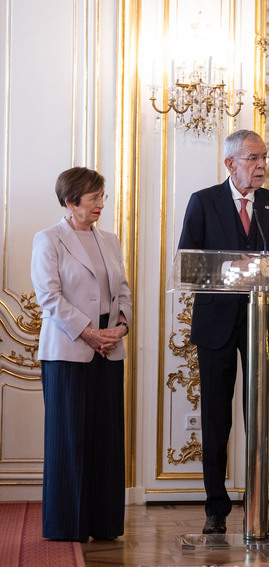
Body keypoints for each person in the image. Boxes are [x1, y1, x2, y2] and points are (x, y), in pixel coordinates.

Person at [177, 129, 269, 536]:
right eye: (253, 159)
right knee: (216, 418)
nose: (261, 166)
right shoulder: (204, 202)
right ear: (230, 164)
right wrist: (231, 268)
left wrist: (266, 269)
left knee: (260, 419)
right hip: (216, 324)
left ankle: (257, 508)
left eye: (264, 158)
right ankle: (216, 509)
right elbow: (188, 265)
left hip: (261, 324)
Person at [30, 167, 131, 541]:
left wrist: (121, 327)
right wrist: (88, 332)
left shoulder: (110, 240)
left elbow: (123, 290)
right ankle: (66, 525)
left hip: (109, 348)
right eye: (93, 198)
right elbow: (49, 296)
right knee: (68, 439)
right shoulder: (48, 239)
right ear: (71, 202)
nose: (101, 204)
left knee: (106, 438)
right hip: (68, 349)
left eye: (102, 196)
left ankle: (105, 524)